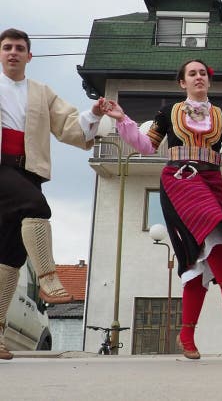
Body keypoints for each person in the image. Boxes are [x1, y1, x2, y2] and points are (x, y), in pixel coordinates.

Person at [102, 59, 222, 359]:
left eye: (203, 73)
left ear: (209, 80)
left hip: (213, 180)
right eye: (192, 74)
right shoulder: (168, 113)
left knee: (197, 265)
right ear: (183, 83)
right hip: (180, 179)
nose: (198, 77)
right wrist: (122, 119)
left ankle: (187, 334)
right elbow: (147, 145)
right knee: (216, 225)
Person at [0, 28, 104, 360]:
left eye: (19, 48)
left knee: (10, 257)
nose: (13, 52)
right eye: (6, 48)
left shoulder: (40, 92)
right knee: (36, 207)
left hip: (28, 171)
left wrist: (95, 113)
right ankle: (48, 275)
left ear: (30, 56)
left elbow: (70, 124)